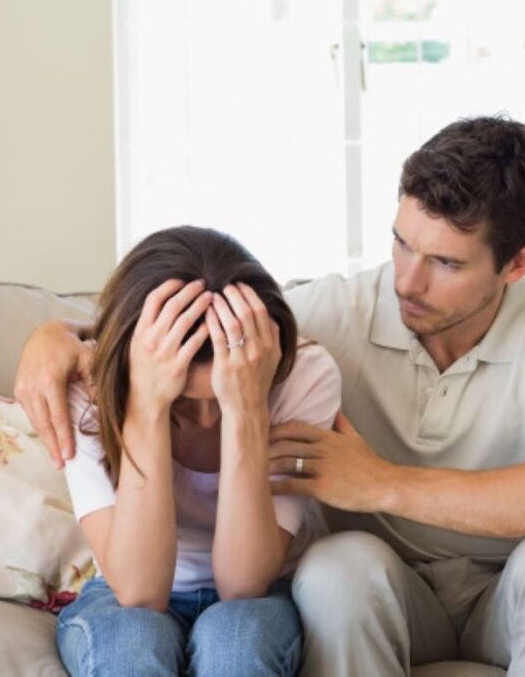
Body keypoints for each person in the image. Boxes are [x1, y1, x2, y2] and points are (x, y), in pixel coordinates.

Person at [17, 116, 525, 677]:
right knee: (338, 567)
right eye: (402, 243)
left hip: (516, 588)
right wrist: (55, 336)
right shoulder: (332, 314)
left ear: (519, 263)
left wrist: (383, 484)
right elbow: (192, 327)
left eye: (446, 264)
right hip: (388, 590)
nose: (408, 282)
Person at [50, 226, 341, 676]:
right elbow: (139, 593)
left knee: (235, 644)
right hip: (122, 594)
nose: (206, 420)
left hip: (259, 595)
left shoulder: (305, 375)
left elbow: (243, 584)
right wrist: (147, 408)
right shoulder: (91, 388)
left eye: (219, 401)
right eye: (184, 403)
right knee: (130, 646)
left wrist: (246, 409)